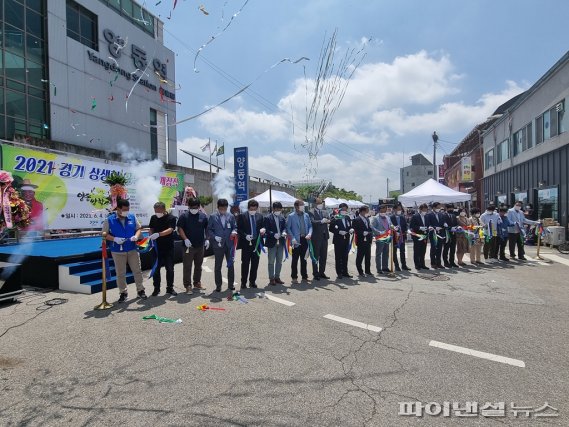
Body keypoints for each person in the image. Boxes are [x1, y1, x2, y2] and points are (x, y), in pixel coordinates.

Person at [103, 199, 146, 303]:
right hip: (117, 251)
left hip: (132, 249)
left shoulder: (132, 216)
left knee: (137, 270)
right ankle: (123, 293)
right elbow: (104, 234)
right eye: (124, 210)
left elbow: (139, 228)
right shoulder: (109, 219)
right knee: (120, 273)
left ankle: (140, 290)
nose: (126, 211)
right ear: (118, 209)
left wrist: (136, 236)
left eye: (128, 209)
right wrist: (115, 239)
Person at [177, 197, 209, 293]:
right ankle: (188, 285)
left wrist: (207, 239)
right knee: (187, 266)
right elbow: (180, 228)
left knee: (198, 265)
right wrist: (185, 239)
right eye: (192, 207)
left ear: (199, 207)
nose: (194, 209)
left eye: (196, 207)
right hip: (188, 246)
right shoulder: (184, 216)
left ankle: (197, 282)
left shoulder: (203, 216)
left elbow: (207, 229)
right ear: (188, 206)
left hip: (200, 245)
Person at [207, 198, 238, 292]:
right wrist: (214, 236)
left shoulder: (231, 216)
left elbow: (235, 227)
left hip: (229, 244)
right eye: (221, 208)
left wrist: (234, 231)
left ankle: (231, 284)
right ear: (218, 207)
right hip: (218, 244)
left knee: (230, 265)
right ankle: (218, 285)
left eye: (225, 208)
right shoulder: (213, 216)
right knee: (218, 266)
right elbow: (209, 229)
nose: (223, 210)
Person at [148, 201, 178, 296]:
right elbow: (151, 228)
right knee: (156, 269)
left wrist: (159, 234)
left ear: (164, 209)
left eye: (159, 211)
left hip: (168, 247)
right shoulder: (153, 217)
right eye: (155, 211)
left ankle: (170, 288)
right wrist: (151, 234)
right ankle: (156, 288)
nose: (157, 213)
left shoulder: (171, 218)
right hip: (156, 248)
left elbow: (170, 230)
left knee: (169, 269)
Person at [237, 200, 265, 289]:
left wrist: (263, 229)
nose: (253, 210)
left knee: (255, 263)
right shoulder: (242, 216)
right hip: (246, 243)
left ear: (257, 208)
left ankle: (252, 281)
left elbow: (263, 226)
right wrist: (245, 236)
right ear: (248, 208)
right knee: (245, 263)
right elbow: (239, 229)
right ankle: (243, 282)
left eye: (255, 208)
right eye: (251, 208)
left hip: (256, 244)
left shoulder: (260, 216)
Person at [286, 199, 313, 283]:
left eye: (303, 205)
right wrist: (292, 238)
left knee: (304, 259)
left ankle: (304, 276)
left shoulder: (306, 215)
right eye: (301, 205)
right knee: (295, 259)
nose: (303, 206)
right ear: (296, 206)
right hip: (296, 241)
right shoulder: (291, 216)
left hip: (305, 239)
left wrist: (309, 234)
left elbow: (310, 226)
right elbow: (288, 228)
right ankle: (294, 277)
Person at [264, 202, 287, 286]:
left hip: (280, 242)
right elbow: (266, 229)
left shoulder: (282, 217)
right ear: (273, 209)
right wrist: (273, 234)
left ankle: (277, 277)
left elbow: (284, 227)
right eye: (276, 209)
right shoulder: (267, 217)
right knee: (271, 261)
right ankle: (271, 278)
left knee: (279, 261)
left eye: (279, 209)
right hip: (272, 242)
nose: (278, 211)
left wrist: (284, 232)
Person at [309, 198, 331, 280]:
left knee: (323, 256)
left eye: (321, 203)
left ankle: (322, 272)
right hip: (316, 237)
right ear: (314, 204)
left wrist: (328, 220)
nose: (320, 204)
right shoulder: (311, 212)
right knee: (316, 256)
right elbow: (312, 222)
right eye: (319, 203)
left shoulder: (324, 211)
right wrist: (321, 221)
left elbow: (329, 220)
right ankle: (315, 273)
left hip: (325, 236)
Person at [329, 202, 352, 279]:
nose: (344, 211)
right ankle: (339, 272)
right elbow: (331, 228)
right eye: (343, 209)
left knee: (345, 256)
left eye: (346, 209)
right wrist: (338, 231)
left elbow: (350, 226)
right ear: (339, 209)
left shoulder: (347, 217)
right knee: (338, 257)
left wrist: (351, 229)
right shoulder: (335, 217)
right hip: (338, 240)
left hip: (346, 239)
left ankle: (345, 272)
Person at [371, 204, 392, 274]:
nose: (385, 211)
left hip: (387, 237)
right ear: (380, 210)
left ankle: (385, 267)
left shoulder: (387, 217)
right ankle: (379, 269)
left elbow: (390, 225)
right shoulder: (375, 218)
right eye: (384, 209)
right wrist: (379, 232)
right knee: (379, 254)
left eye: (386, 209)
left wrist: (393, 228)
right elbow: (372, 227)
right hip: (380, 237)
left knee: (386, 253)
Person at [352, 205, 373, 276]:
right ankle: (360, 271)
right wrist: (362, 232)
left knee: (368, 257)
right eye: (367, 210)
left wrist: (370, 234)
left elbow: (369, 228)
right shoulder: (356, 219)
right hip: (361, 240)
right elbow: (355, 230)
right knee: (360, 257)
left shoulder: (367, 219)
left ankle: (368, 270)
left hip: (368, 240)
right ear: (363, 211)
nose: (368, 212)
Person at [409, 203, 429, 270]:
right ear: (420, 209)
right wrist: (419, 228)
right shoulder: (415, 216)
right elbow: (412, 226)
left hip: (424, 235)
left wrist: (429, 228)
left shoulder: (426, 216)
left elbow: (428, 224)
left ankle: (422, 264)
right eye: (424, 210)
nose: (425, 211)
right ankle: (417, 265)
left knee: (423, 251)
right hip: (417, 236)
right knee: (417, 251)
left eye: (426, 210)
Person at [390, 204, 410, 271]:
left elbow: (405, 226)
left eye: (400, 209)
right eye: (398, 209)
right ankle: (396, 266)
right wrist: (394, 230)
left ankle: (404, 265)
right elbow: (389, 227)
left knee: (402, 251)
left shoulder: (402, 217)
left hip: (402, 237)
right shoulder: (391, 218)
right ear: (394, 209)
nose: (399, 210)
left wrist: (406, 230)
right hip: (394, 237)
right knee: (394, 252)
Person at [426, 202, 445, 269]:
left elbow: (442, 222)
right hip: (433, 233)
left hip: (440, 233)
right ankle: (433, 263)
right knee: (433, 248)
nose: (439, 209)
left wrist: (444, 224)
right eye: (438, 207)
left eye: (440, 208)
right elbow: (428, 224)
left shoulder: (441, 214)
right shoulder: (429, 215)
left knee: (439, 248)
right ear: (433, 208)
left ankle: (439, 263)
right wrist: (434, 227)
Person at [442, 203, 458, 268]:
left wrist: (457, 227)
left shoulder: (454, 215)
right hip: (447, 234)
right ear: (447, 208)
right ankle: (446, 262)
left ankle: (452, 261)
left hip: (454, 234)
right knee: (446, 248)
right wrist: (450, 228)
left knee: (453, 249)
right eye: (450, 208)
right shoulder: (443, 215)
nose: (451, 209)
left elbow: (456, 223)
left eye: (452, 208)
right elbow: (443, 225)